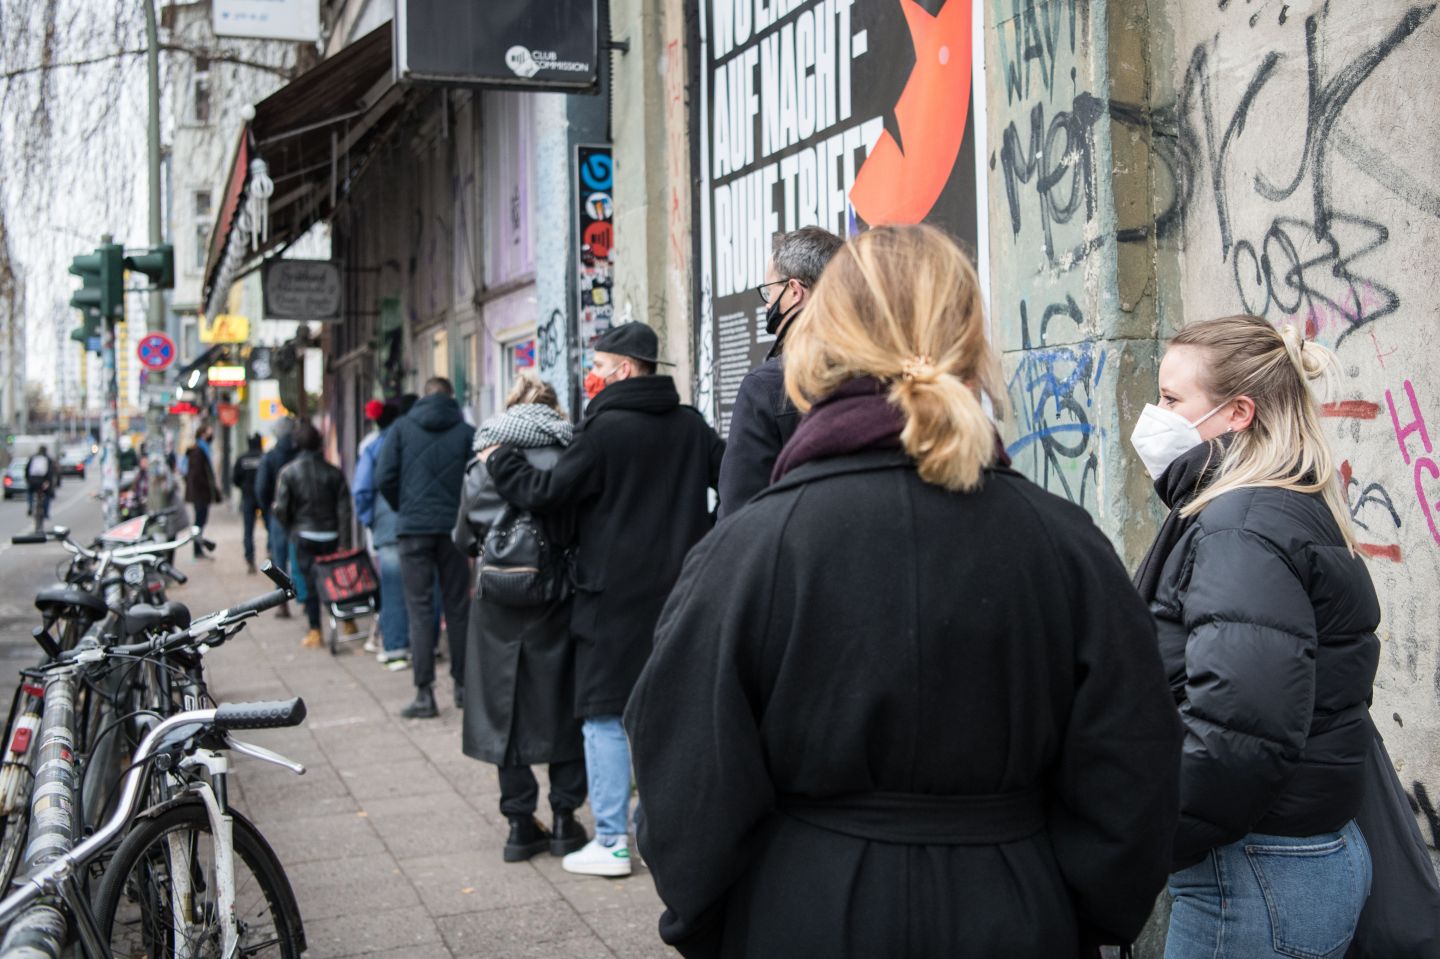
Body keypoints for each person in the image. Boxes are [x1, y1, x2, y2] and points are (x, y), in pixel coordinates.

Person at [623, 225, 1182, 956]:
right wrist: (1073, 910)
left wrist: (724, 922)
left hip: (804, 913)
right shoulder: (1064, 543)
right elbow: (1134, 767)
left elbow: (684, 782)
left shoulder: (751, 548)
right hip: (1016, 910)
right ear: (971, 342)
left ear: (821, 340)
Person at [1126, 314, 1380, 959]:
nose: (1155, 415)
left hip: (1253, 875)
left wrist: (1132, 841)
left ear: (1238, 412)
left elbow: (1239, 735)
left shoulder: (1239, 524)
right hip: (1282, 865)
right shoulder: (1281, 504)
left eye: (1172, 399)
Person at [483, 322, 725, 878]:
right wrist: (708, 537)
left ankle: (614, 841)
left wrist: (502, 460)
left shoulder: (603, 432)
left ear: (627, 369)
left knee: (604, 718)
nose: (592, 376)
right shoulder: (691, 427)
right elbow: (736, 475)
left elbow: (546, 495)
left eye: (600, 365)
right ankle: (669, 834)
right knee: (668, 715)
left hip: (609, 601)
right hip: (682, 594)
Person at [456, 371, 588, 864]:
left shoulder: (482, 462)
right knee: (562, 704)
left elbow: (464, 538)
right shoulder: (567, 455)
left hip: (496, 609)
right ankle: (564, 819)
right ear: (553, 411)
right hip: (557, 599)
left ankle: (517, 823)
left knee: (502, 711)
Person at [717, 226, 843, 519]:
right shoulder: (885, 371)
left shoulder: (766, 387)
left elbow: (740, 512)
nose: (766, 304)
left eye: (770, 291)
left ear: (795, 291)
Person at [377, 377, 475, 719]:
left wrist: (405, 507)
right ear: (451, 398)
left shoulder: (402, 428)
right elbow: (477, 480)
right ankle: (463, 688)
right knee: (458, 607)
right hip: (453, 530)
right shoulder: (465, 432)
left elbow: (384, 477)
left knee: (419, 609)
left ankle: (424, 694)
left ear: (424, 396)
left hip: (413, 530)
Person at [273, 420, 353, 649]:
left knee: (309, 583)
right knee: (336, 578)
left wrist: (290, 527)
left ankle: (315, 630)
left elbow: (281, 508)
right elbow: (344, 510)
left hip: (304, 535)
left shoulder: (289, 473)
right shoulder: (334, 473)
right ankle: (347, 621)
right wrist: (344, 541)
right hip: (331, 534)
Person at [354, 397, 414, 669]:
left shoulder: (376, 446)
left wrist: (372, 519)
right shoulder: (416, 441)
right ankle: (426, 645)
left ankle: (396, 649)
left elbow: (362, 489)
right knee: (424, 586)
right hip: (419, 523)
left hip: (388, 524)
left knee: (392, 588)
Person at [256, 418, 301, 619]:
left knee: (279, 560)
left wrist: (267, 511)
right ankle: (307, 601)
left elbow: (262, 489)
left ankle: (282, 603)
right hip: (301, 514)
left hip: (278, 514)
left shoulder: (271, 457)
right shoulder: (301, 454)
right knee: (300, 558)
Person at [183, 424, 220, 559]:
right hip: (200, 494)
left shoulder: (202, 449)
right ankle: (197, 549)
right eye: (210, 432)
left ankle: (198, 548)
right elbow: (197, 475)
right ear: (203, 434)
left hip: (200, 494)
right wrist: (208, 489)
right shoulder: (198, 451)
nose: (211, 435)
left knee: (201, 522)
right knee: (199, 522)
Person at [232, 434, 264, 574]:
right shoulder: (264, 458)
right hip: (263, 497)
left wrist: (244, 488)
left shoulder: (242, 458)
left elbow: (235, 479)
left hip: (248, 497)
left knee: (248, 531)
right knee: (271, 527)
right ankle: (271, 551)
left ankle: (250, 559)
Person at [25, 445, 60, 528]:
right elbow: (51, 473)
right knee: (47, 495)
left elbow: (26, 470)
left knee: (29, 492)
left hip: (32, 481)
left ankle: (30, 506)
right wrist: (49, 483)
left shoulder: (33, 457)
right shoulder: (48, 459)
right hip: (43, 482)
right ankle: (46, 512)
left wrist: (28, 480)